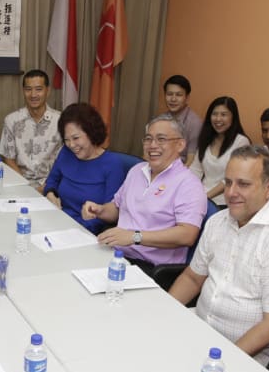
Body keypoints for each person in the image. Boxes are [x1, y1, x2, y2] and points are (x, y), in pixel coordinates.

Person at [169, 145, 269, 365]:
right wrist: (164, 313)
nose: (230, 192)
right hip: (202, 329)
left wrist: (220, 362)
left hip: (250, 354)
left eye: (243, 184)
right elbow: (192, 278)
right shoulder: (218, 221)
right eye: (228, 182)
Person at [82, 115, 205, 272]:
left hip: (150, 266)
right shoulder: (137, 171)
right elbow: (116, 209)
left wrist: (135, 237)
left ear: (180, 144)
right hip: (116, 253)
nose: (152, 145)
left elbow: (187, 234)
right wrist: (99, 210)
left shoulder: (189, 184)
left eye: (161, 139)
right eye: (148, 139)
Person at [44, 103, 125, 233]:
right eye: (67, 139)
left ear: (91, 133)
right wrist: (50, 194)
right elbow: (52, 181)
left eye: (76, 138)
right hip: (56, 220)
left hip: (85, 231)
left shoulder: (112, 164)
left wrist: (73, 228)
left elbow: (111, 213)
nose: (71, 145)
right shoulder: (66, 152)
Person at [0, 69, 62, 190]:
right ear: (23, 91)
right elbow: (9, 158)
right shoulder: (12, 120)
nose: (33, 95)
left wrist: (47, 186)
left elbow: (67, 160)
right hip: (20, 183)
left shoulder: (61, 121)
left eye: (39, 89)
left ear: (47, 91)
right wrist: (26, 186)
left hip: (53, 185)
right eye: (28, 89)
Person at [189, 96, 250, 206]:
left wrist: (205, 197)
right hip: (200, 197)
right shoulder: (206, 138)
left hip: (225, 202)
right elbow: (195, 170)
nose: (218, 119)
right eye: (215, 114)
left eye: (223, 115)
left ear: (233, 117)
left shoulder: (241, 142)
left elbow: (231, 177)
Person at [161, 74, 202, 166]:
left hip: (180, 170)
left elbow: (191, 160)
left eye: (178, 95)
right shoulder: (161, 119)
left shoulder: (195, 123)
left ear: (187, 98)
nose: (173, 99)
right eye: (169, 94)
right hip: (159, 166)